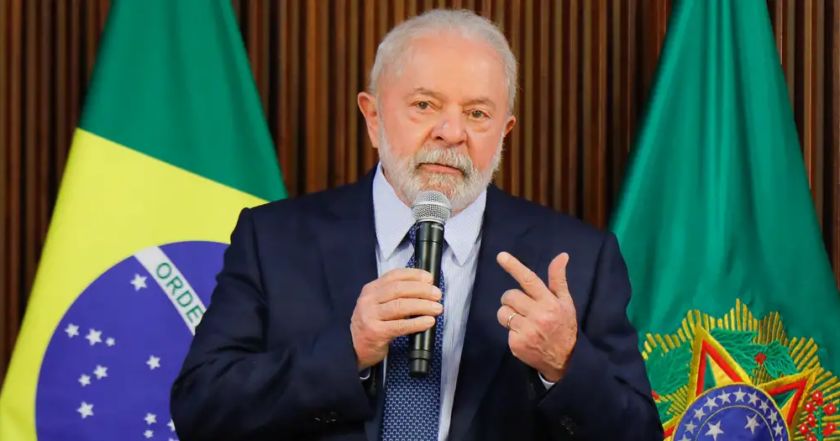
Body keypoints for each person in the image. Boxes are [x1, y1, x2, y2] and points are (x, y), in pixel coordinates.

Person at [171, 9, 662, 441]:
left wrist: (564, 364)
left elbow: (638, 432)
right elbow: (200, 411)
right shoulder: (273, 240)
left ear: (504, 132)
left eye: (477, 113)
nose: (451, 133)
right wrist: (348, 350)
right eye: (425, 105)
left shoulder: (578, 259)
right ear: (373, 117)